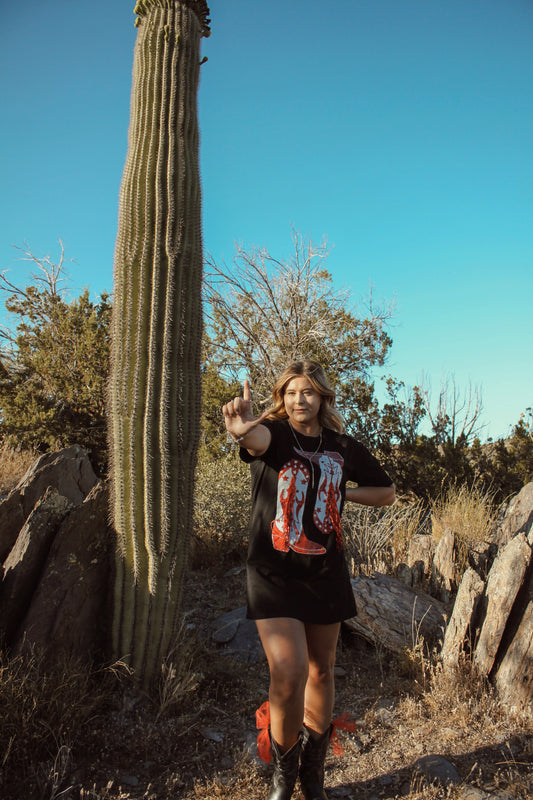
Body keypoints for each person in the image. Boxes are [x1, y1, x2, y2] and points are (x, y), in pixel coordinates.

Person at [222, 360, 395, 800]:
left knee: (320, 671)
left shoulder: (343, 447)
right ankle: (283, 778)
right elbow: (254, 440)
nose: (300, 400)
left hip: (325, 572)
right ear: (282, 397)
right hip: (273, 573)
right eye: (293, 392)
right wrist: (243, 427)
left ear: (322, 398)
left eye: (309, 392)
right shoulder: (274, 435)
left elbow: (386, 492)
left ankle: (312, 776)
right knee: (290, 670)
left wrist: (344, 493)